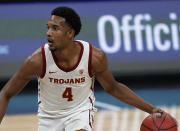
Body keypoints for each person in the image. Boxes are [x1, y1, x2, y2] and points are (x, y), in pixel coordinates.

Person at [0, 6, 163, 131]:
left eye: (55, 28)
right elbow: (6, 94)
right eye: (48, 27)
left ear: (70, 33)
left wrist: (151, 109)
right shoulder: (36, 61)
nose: (49, 33)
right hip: (49, 119)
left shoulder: (94, 57)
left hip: (80, 114)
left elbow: (113, 87)